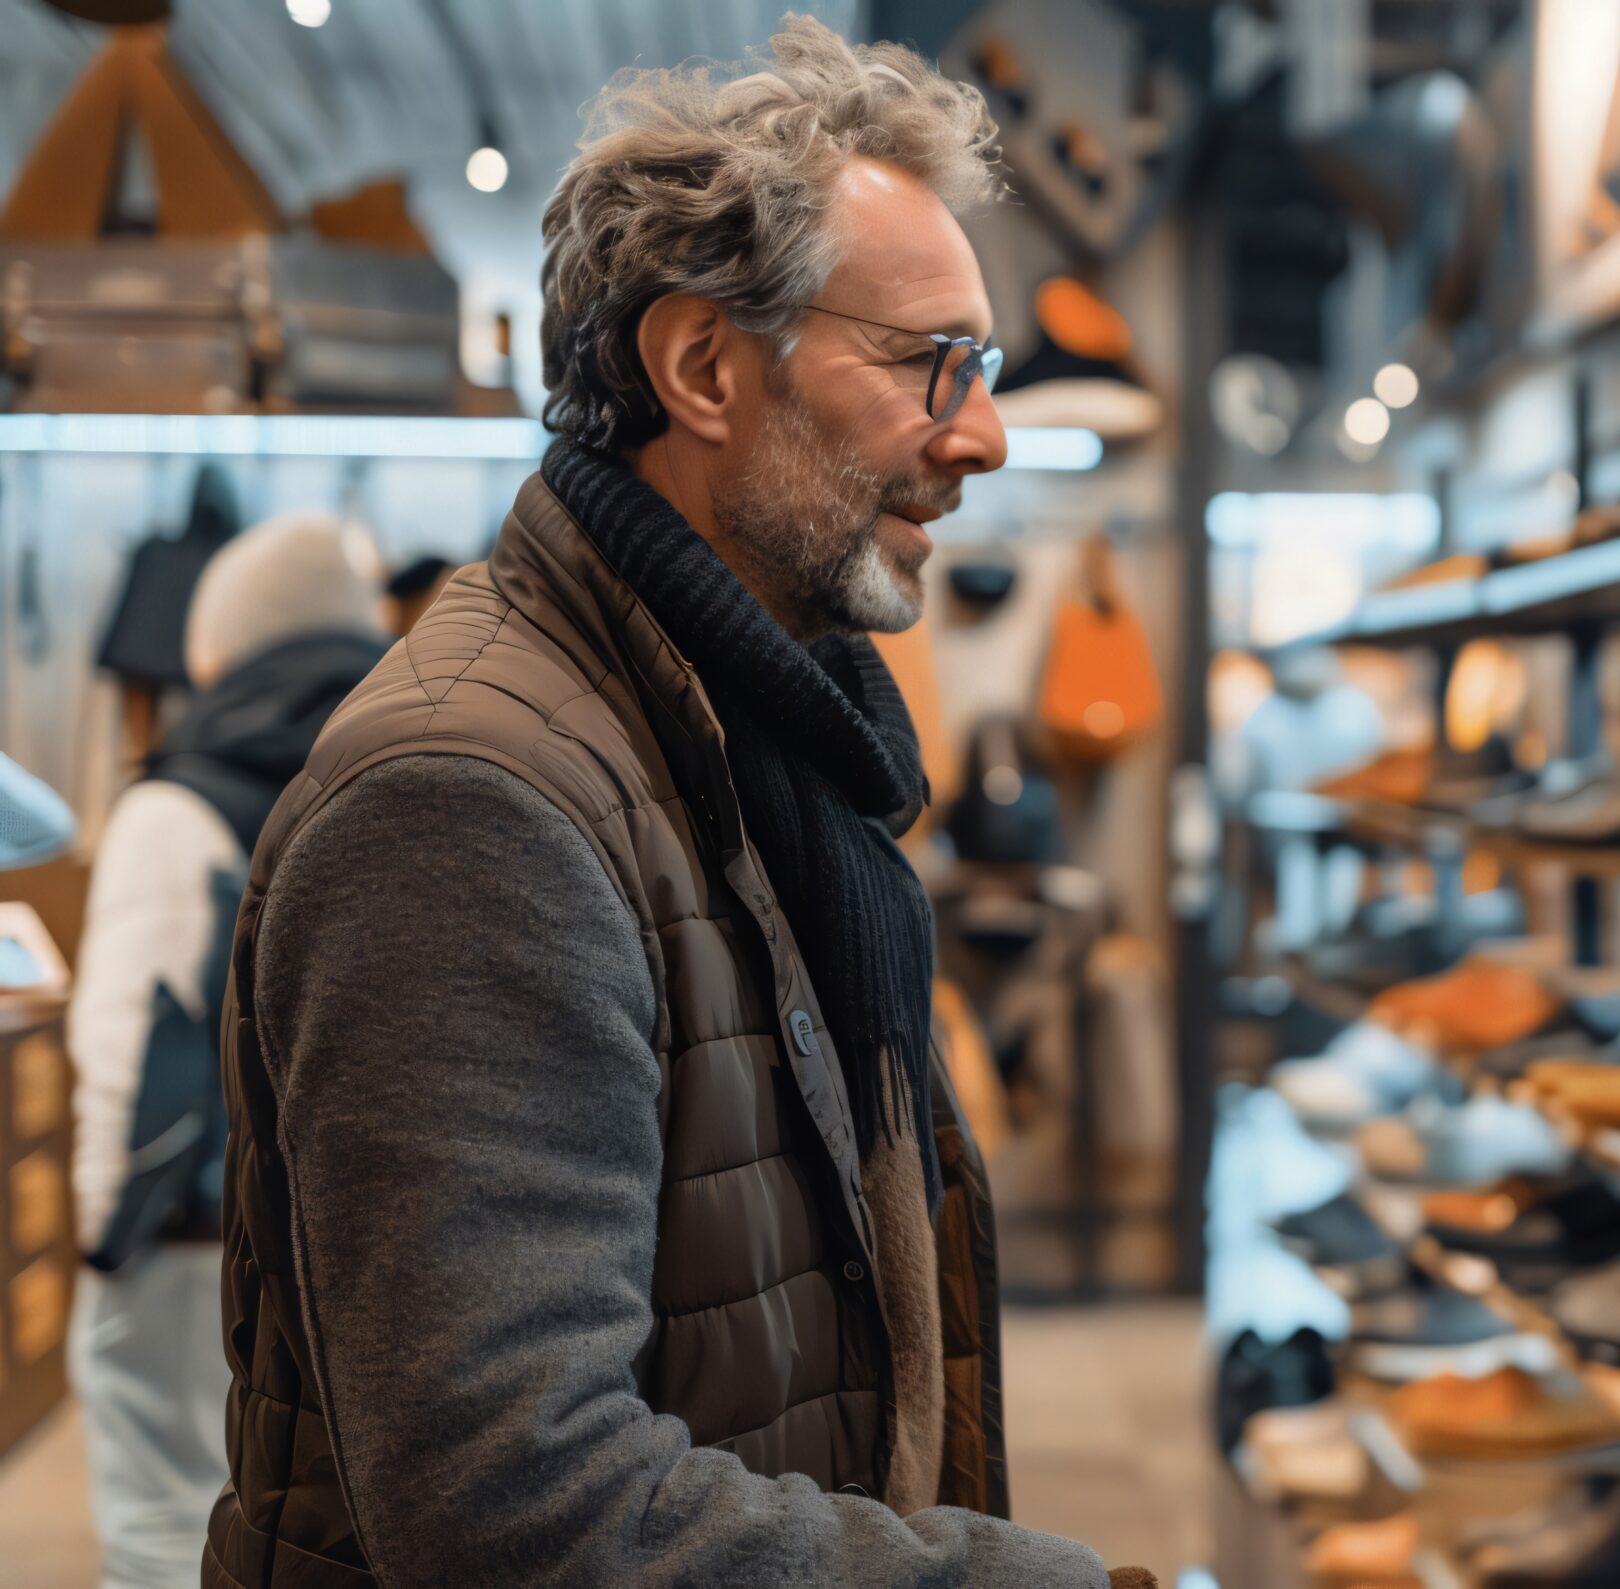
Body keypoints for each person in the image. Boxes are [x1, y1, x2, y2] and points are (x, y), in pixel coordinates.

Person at [204, 19, 1152, 1589]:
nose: (982, 432)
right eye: (934, 363)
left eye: (979, 369)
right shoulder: (468, 802)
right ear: (705, 367)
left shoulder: (758, 745)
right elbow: (515, 1499)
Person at [65, 513, 384, 1588]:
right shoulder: (403, 773)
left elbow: (131, 1031)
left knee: (165, 1515)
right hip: (359, 1243)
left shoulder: (175, 807)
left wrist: (110, 1235)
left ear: (213, 648)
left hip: (195, 1228)